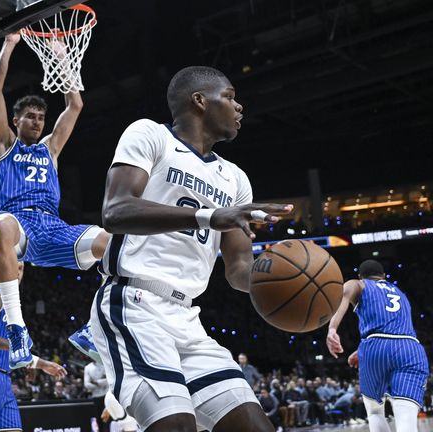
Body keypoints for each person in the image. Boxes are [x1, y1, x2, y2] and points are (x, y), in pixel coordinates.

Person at [89, 65, 292, 432]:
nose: (239, 106)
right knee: (176, 424)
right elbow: (116, 211)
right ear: (199, 101)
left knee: (255, 426)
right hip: (133, 305)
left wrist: (281, 280)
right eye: (229, 97)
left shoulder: (235, 178)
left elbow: (237, 270)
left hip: (187, 317)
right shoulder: (150, 135)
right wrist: (209, 217)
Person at [0, 32, 110, 368]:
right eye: (30, 116)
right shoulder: (4, 144)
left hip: (53, 226)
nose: (38, 122)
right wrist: (10, 43)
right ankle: (17, 328)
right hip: (17, 223)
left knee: (113, 244)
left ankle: (94, 330)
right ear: (16, 120)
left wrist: (62, 59)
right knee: (0, 225)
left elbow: (76, 104)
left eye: (41, 117)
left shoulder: (50, 148)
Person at [0, 262, 67, 431]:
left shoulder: (14, 306)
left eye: (21, 268)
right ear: (0, 267)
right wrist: (11, 346)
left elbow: (19, 350)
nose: (17, 272)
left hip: (3, 379)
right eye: (13, 266)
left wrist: (43, 365)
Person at [327, 259, 430, 432]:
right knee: (405, 417)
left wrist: (332, 329)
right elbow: (393, 329)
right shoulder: (401, 294)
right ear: (383, 276)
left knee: (375, 411)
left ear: (360, 276)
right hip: (410, 348)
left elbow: (344, 294)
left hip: (375, 348)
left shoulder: (358, 284)